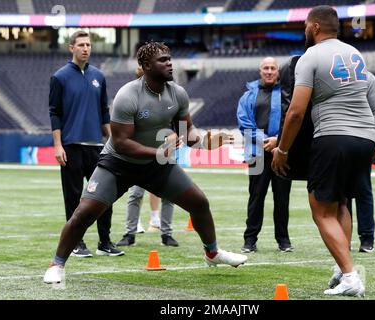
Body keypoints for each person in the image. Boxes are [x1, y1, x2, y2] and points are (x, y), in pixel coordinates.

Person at [43, 41, 247, 284]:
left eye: (169, 58)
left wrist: (204, 142)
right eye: (163, 60)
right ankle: (57, 264)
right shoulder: (128, 95)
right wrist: (158, 153)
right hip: (118, 163)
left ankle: (212, 253)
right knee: (84, 213)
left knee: (199, 202)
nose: (169, 63)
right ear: (146, 66)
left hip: (154, 164)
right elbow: (121, 143)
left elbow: (186, 131)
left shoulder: (178, 93)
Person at [272, 6, 375, 297]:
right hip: (363, 137)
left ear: (315, 27)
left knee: (320, 209)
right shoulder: (355, 53)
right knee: (341, 202)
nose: (305, 30)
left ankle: (350, 275)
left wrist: (282, 148)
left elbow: (296, 112)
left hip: (333, 136)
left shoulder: (311, 56)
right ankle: (342, 268)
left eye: (306, 26)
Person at [48, 30, 123, 258]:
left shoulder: (99, 77)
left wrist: (113, 141)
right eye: (81, 44)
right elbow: (55, 113)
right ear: (71, 47)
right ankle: (77, 243)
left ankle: (105, 242)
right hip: (70, 146)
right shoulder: (59, 77)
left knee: (105, 195)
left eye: (88, 45)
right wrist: (58, 145)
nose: (85, 48)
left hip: (96, 148)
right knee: (73, 199)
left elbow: (103, 112)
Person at [237, 57, 293, 253]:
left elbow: (293, 120)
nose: (269, 71)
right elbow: (244, 123)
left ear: (278, 72)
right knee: (256, 197)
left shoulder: (288, 94)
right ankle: (250, 240)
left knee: (282, 198)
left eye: (273, 68)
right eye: (266, 68)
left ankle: (283, 240)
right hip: (257, 154)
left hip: (282, 153)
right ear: (260, 71)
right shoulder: (248, 95)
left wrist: (279, 140)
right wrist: (264, 140)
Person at [347, 71, 375, 253]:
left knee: (363, 190)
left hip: (363, 140)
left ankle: (367, 238)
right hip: (338, 140)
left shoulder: (368, 78)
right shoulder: (334, 78)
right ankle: (343, 238)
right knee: (340, 194)